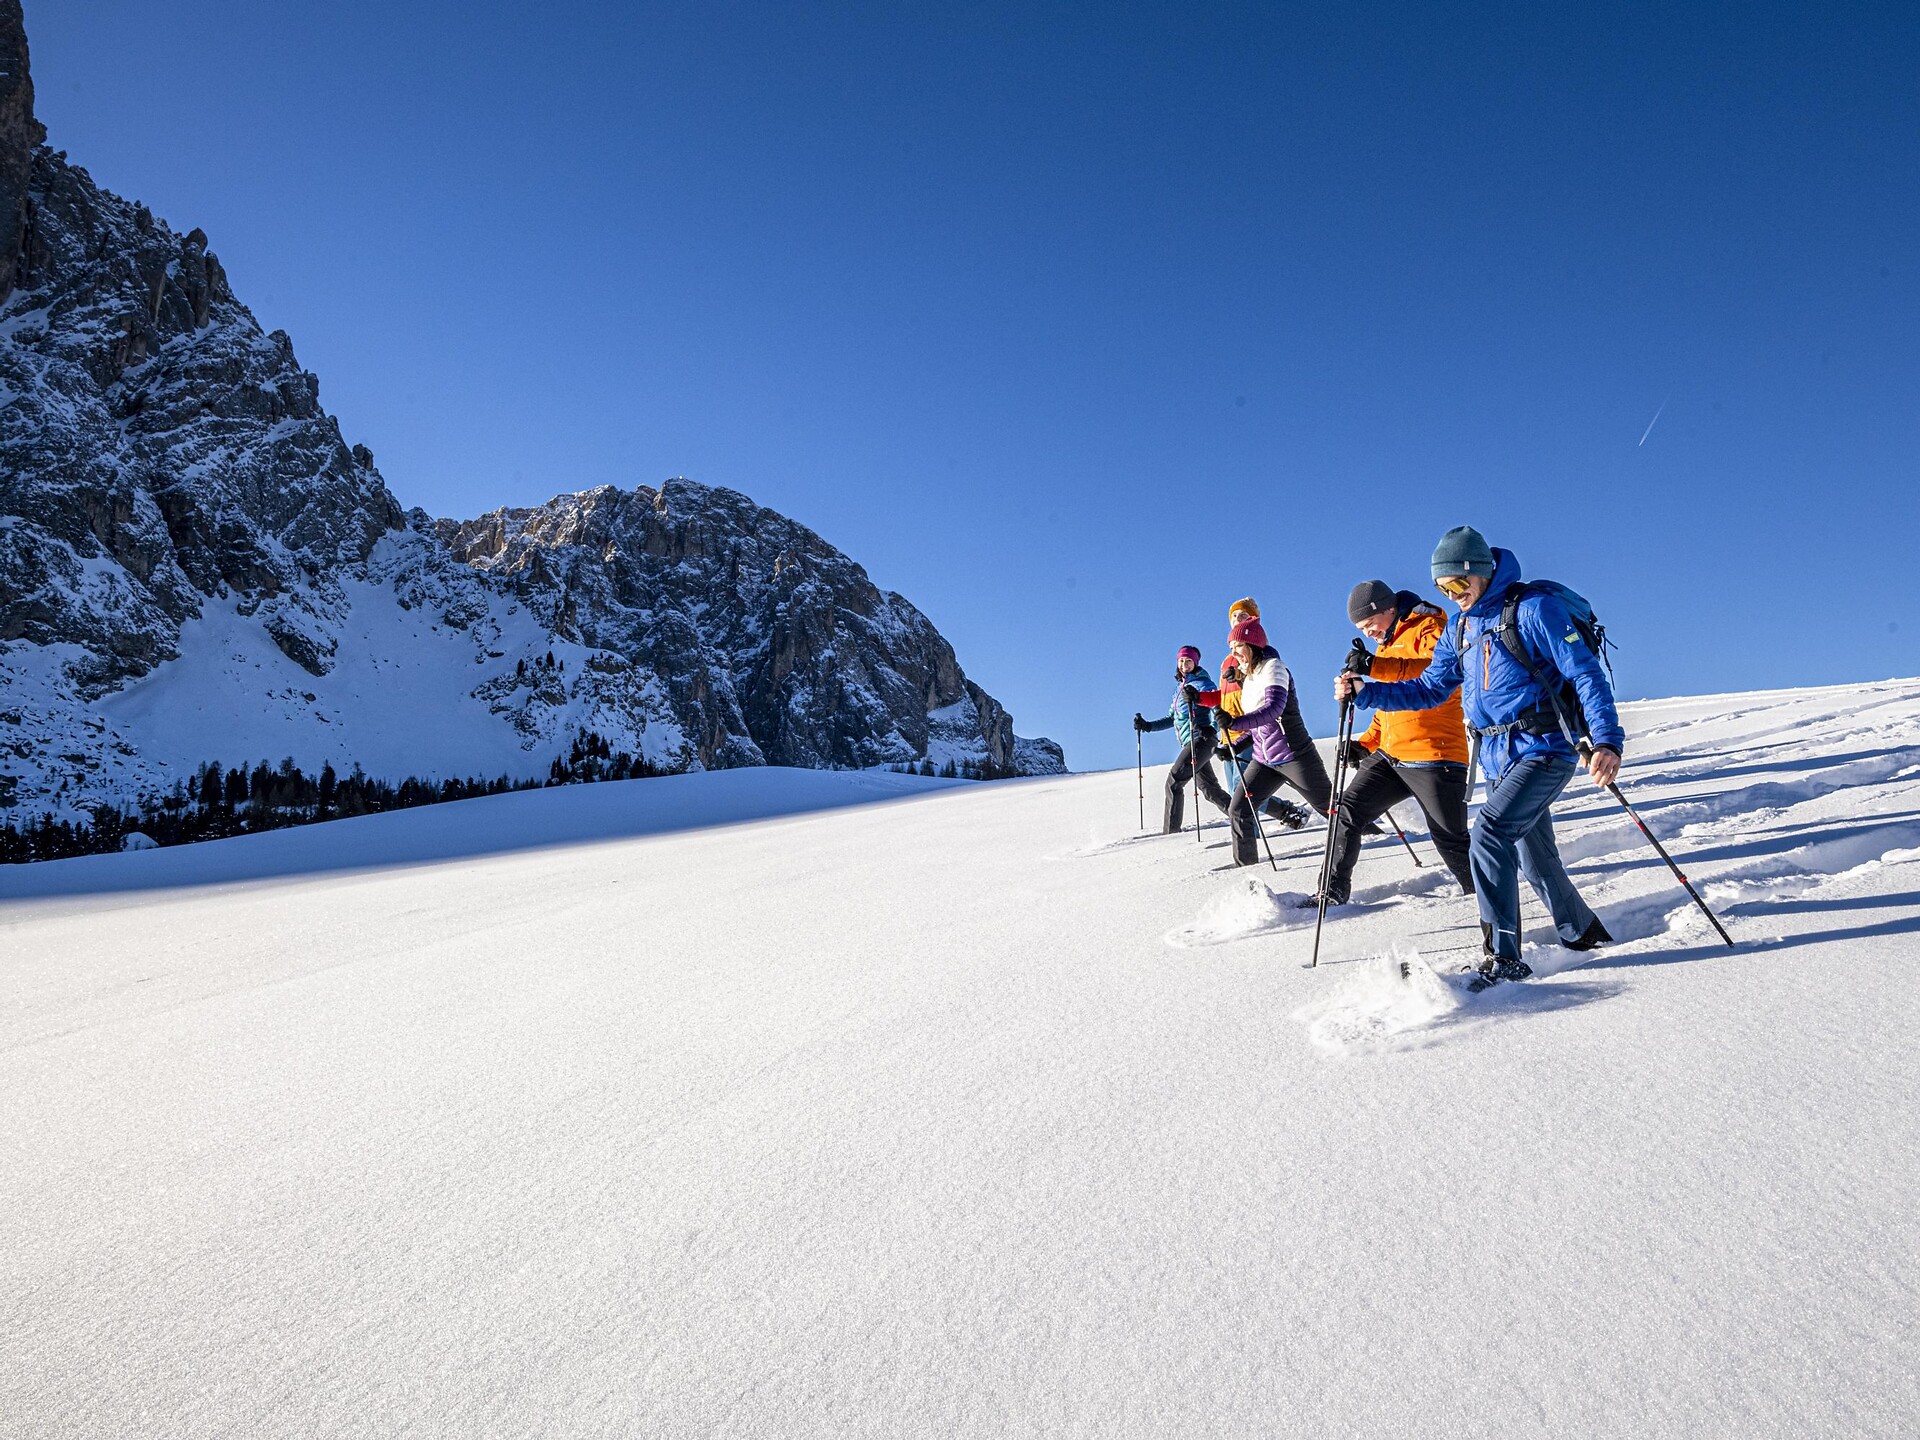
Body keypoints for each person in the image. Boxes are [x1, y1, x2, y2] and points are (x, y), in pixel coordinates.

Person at [1337, 527, 1624, 982]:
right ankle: (1584, 934)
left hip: (1545, 747)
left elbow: (1585, 674)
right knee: (1535, 857)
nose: (1452, 596)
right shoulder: (1461, 627)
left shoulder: (1533, 610)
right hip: (1495, 755)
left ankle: (1503, 957)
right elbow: (1431, 688)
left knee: (1489, 831)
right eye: (1441, 588)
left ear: (1482, 573)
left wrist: (1606, 740)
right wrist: (1368, 693)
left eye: (1456, 584)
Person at [1319, 580, 1475, 905]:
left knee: (1451, 839)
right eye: (1361, 629)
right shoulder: (1386, 643)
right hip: (1391, 756)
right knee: (1346, 811)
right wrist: (1366, 743)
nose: (1368, 634)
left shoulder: (1431, 625)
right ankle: (1330, 895)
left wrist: (1375, 667)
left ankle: (1489, 900)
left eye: (1369, 624)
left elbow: (1432, 676)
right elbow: (1389, 708)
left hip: (1435, 754)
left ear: (1387, 609)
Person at [1223, 617, 1335, 867]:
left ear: (1252, 644)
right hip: (1264, 761)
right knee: (1239, 808)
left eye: (1238, 647)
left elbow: (1273, 709)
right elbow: (1260, 726)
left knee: (1330, 808)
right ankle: (1246, 869)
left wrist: (1234, 723)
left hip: (1294, 756)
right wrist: (1236, 744)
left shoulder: (1274, 668)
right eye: (1231, 649)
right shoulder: (1249, 678)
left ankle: (1377, 835)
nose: (1234, 654)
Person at [1133, 645, 1229, 833]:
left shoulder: (1203, 684)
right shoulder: (1179, 689)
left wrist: (1213, 730)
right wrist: (1148, 726)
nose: (1184, 664)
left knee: (1174, 781)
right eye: (1181, 661)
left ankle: (1171, 834)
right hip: (1191, 742)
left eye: (1188, 661)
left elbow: (1220, 707)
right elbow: (1172, 718)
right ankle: (1248, 815)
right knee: (1210, 790)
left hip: (1201, 739)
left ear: (1195, 663)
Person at [1215, 655, 1311, 831]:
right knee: (1235, 791)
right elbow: (1221, 698)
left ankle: (1271, 824)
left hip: (1248, 731)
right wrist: (1199, 698)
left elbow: (1259, 691)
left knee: (1242, 788)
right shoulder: (1226, 662)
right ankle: (1287, 812)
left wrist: (1240, 677)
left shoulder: (1255, 659)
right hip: (1227, 735)